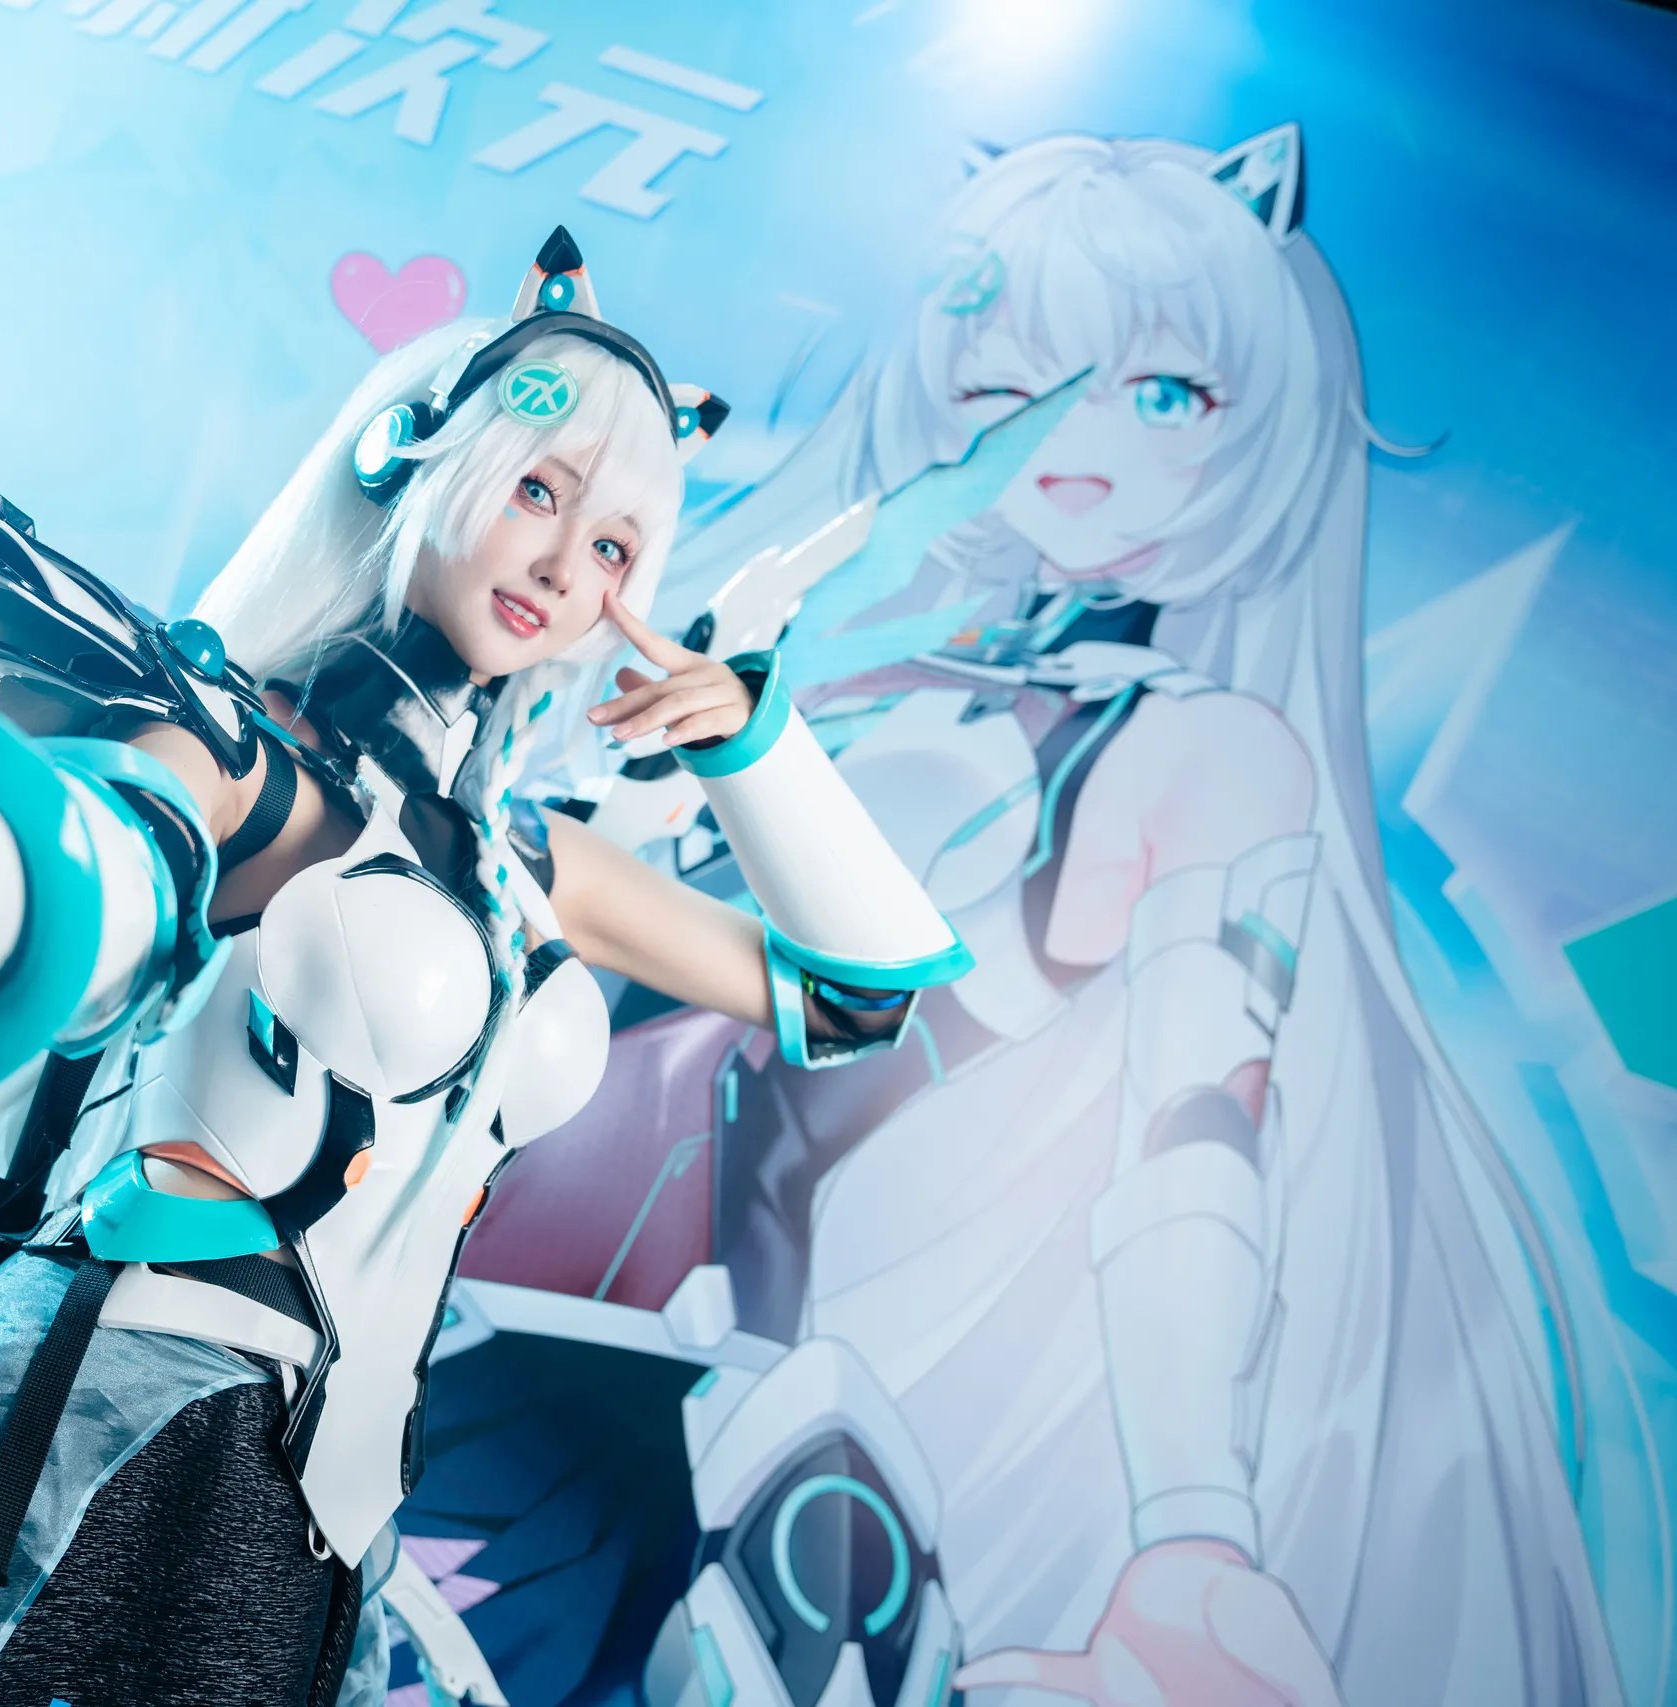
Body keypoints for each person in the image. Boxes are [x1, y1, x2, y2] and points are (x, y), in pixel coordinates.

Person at [441, 126, 1628, 1707]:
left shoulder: (1189, 755)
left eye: (1166, 394)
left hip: (672, 1398)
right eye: (1007, 385)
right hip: (414, 1253)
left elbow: (1192, 1141)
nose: (1075, 437)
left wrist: (1191, 1531)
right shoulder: (793, 657)